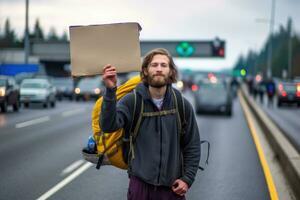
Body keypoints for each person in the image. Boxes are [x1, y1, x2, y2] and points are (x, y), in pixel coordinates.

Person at [100, 48, 201, 200]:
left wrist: (187, 179)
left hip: (172, 188)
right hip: (140, 187)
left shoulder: (181, 104)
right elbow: (108, 126)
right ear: (145, 71)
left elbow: (192, 145)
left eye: (163, 65)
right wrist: (110, 90)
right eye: (154, 65)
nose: (159, 69)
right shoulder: (132, 101)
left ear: (171, 71)